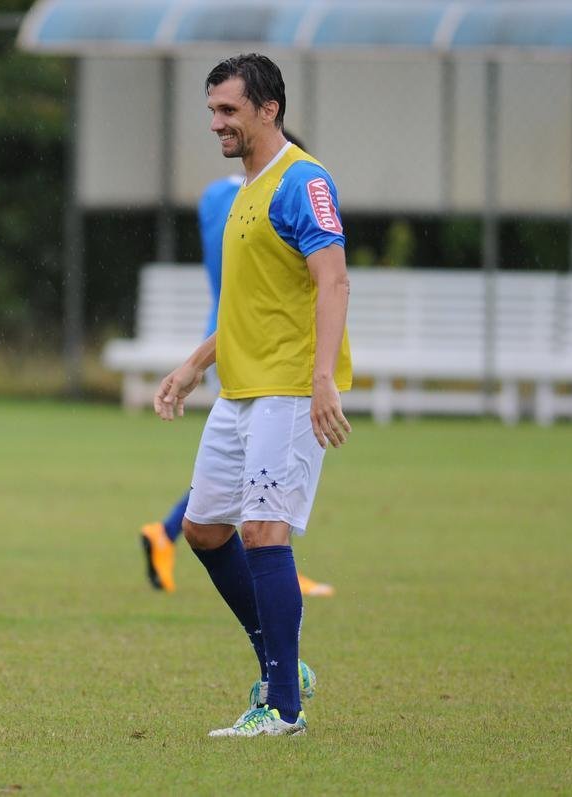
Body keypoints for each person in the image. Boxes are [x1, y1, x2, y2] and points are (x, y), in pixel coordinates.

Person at [154, 54, 352, 737]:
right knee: (206, 528)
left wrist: (323, 377)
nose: (216, 123)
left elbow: (333, 282)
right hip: (239, 390)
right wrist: (192, 365)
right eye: (212, 110)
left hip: (290, 389)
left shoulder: (303, 181)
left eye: (228, 110)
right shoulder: (245, 189)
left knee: (266, 530)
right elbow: (244, 307)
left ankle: (282, 708)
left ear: (268, 109)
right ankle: (281, 662)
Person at [139, 131, 335, 600]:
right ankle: (273, 568)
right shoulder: (274, 189)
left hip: (225, 330)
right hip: (255, 339)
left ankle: (178, 536)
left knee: (251, 469)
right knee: (266, 469)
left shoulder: (215, 196)